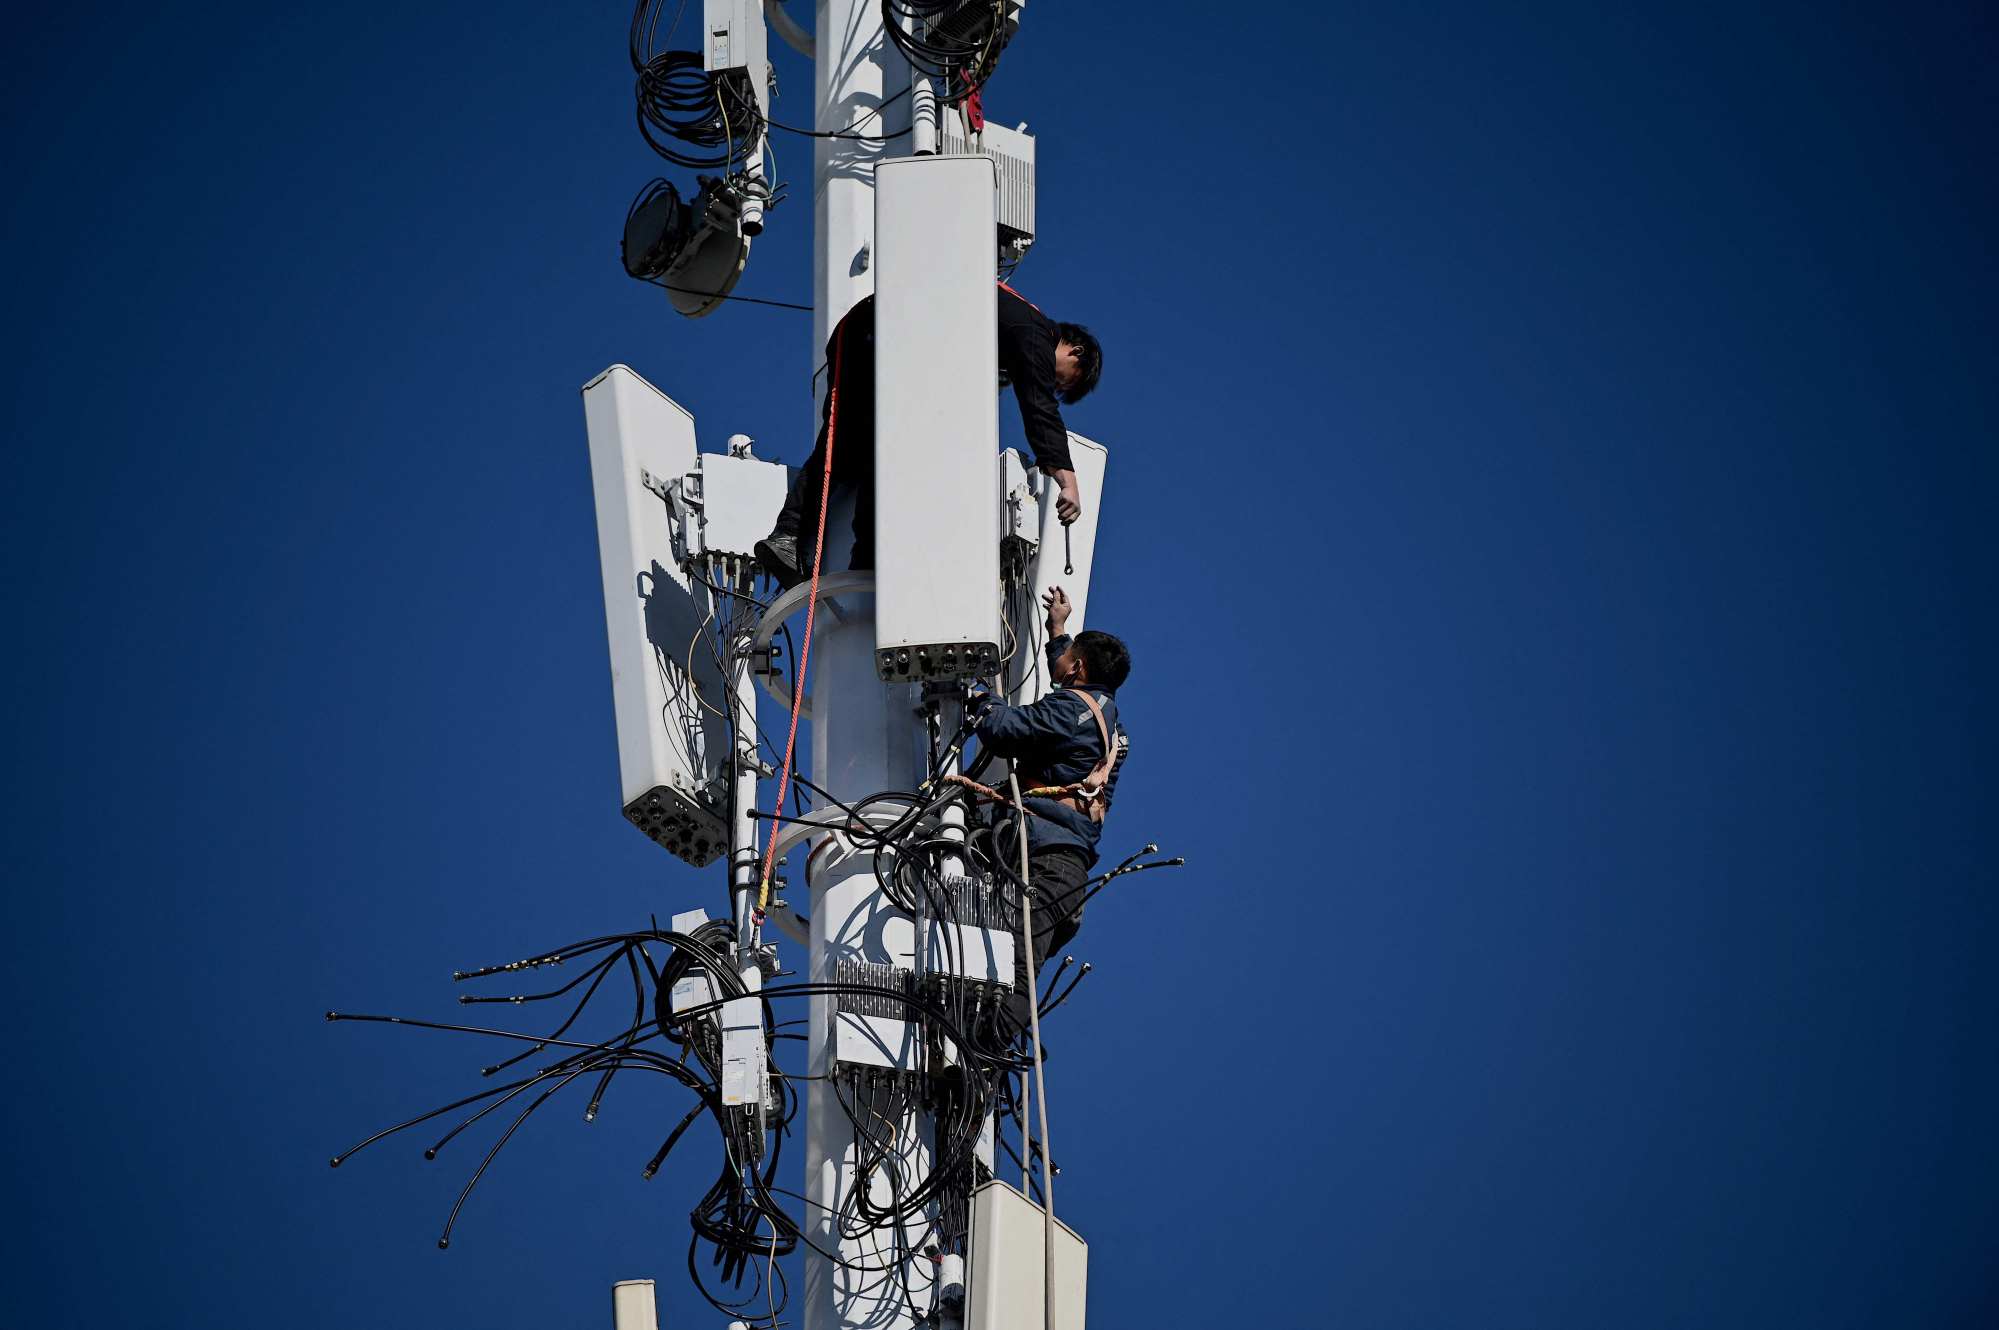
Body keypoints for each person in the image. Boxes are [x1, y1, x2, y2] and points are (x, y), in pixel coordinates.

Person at [753, 285, 1103, 588]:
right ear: (1076, 351)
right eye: (1064, 380)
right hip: (882, 335)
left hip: (867, 332)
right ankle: (864, 560)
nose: (1054, 384)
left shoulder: (1003, 321)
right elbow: (1039, 406)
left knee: (845, 447)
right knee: (884, 446)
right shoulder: (1034, 331)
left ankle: (791, 536)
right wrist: (1066, 479)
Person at [964, 586, 1130, 1031]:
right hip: (1062, 876)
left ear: (1078, 668)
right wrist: (1058, 631)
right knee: (993, 971)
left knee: (1012, 979)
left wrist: (981, 698)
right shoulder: (1109, 723)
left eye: (1069, 653)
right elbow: (1071, 679)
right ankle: (978, 1057)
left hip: (1044, 866)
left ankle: (980, 1056)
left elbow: (1003, 730)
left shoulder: (1068, 713)